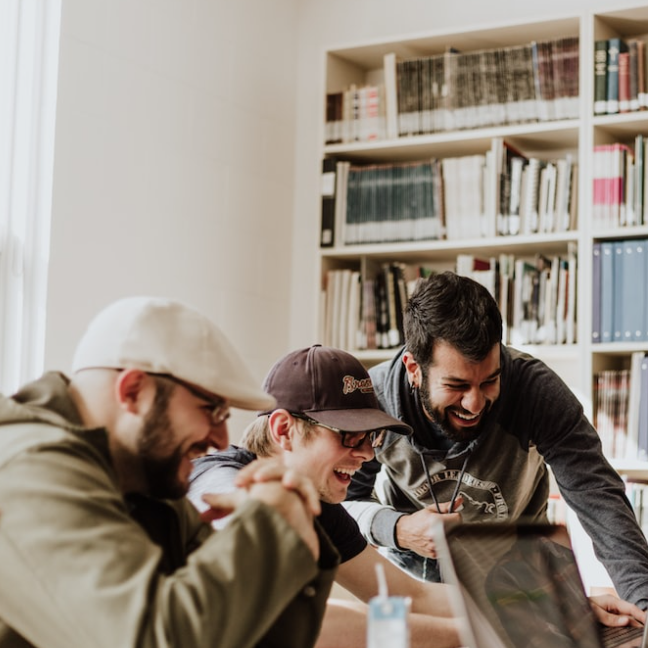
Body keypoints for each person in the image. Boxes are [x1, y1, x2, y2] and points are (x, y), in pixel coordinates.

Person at [0, 296, 339, 648]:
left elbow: (247, 635)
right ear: (133, 391)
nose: (222, 440)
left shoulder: (145, 480)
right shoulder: (30, 468)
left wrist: (296, 527)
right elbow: (156, 639)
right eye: (212, 410)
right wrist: (269, 523)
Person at [344, 270, 648, 612]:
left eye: (490, 381)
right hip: (414, 582)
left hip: (519, 578)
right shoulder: (375, 400)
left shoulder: (536, 391)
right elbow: (343, 503)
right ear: (413, 368)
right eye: (457, 386)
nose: (474, 404)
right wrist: (398, 529)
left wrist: (644, 602)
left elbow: (599, 498)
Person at [189, 345, 462, 648]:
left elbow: (412, 595)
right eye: (350, 435)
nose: (367, 454)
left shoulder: (316, 504)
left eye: (371, 437)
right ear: (284, 430)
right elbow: (289, 619)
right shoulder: (217, 482)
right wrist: (465, 636)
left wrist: (510, 605)